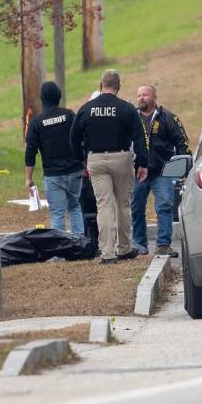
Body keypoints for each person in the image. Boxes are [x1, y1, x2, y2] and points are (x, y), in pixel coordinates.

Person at [70, 70, 149, 264]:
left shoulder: (86, 109)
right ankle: (124, 248)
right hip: (121, 158)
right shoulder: (126, 108)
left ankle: (107, 253)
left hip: (96, 160)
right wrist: (142, 163)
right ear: (118, 86)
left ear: (101, 85)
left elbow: (73, 137)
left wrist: (81, 158)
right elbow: (140, 138)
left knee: (103, 205)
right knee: (123, 204)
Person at [131, 85, 190, 257]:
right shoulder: (131, 118)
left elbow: (182, 142)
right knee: (136, 208)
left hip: (162, 172)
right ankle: (139, 245)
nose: (141, 98)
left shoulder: (168, 118)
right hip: (137, 172)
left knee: (165, 206)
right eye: (139, 95)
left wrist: (181, 167)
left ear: (154, 97)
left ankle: (163, 245)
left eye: (145, 94)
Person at [25, 82, 84, 235]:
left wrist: (28, 178)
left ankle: (60, 246)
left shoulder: (36, 122)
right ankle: (80, 243)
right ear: (59, 96)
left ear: (42, 99)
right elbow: (81, 139)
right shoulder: (70, 115)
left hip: (53, 176)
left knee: (58, 213)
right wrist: (84, 162)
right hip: (75, 171)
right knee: (75, 207)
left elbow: (30, 151)